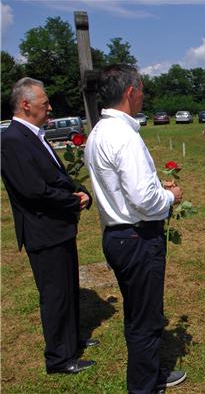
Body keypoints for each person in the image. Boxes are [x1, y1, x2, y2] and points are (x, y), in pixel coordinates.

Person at [85, 64, 186, 393]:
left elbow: (124, 187)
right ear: (130, 92)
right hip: (138, 237)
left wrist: (157, 186)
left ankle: (151, 373)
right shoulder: (124, 136)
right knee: (146, 319)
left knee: (138, 313)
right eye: (141, 89)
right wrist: (169, 196)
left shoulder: (99, 132)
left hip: (118, 235)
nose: (144, 95)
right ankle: (144, 386)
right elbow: (143, 199)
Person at [1, 77, 96, 375]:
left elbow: (55, 176)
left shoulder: (34, 135)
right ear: (26, 104)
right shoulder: (12, 140)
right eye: (45, 103)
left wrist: (80, 190)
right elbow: (33, 190)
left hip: (58, 228)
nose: (50, 107)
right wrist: (73, 201)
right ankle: (59, 357)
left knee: (68, 287)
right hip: (43, 231)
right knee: (55, 294)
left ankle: (72, 340)